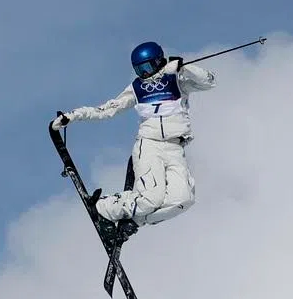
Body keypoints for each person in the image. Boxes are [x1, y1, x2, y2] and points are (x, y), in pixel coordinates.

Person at [50, 41, 216, 233]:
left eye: (147, 67)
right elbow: (107, 109)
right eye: (139, 70)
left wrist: (184, 68)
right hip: (150, 145)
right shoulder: (137, 88)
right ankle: (103, 207)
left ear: (158, 61)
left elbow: (209, 81)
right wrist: (72, 116)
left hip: (175, 148)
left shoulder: (177, 81)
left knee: (183, 199)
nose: (144, 74)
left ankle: (134, 221)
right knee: (151, 198)